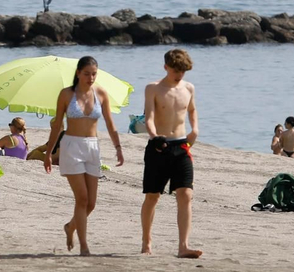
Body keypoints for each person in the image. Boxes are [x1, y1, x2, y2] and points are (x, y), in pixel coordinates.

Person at [43, 55, 125, 256]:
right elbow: (57, 126)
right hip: (71, 146)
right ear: (78, 73)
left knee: (91, 203)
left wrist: (118, 147)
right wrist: (48, 153)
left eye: (94, 74)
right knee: (81, 198)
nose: (90, 78)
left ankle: (71, 227)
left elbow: (110, 124)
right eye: (87, 74)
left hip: (93, 147)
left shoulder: (101, 94)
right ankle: (84, 246)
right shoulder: (66, 94)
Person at [139, 49, 202, 258]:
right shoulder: (153, 88)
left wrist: (195, 129)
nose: (179, 75)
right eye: (176, 70)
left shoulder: (189, 88)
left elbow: (192, 110)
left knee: (186, 194)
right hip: (159, 146)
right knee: (152, 196)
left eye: (183, 71)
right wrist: (154, 135)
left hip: (182, 146)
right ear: (166, 67)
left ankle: (183, 246)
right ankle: (146, 241)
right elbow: (149, 116)